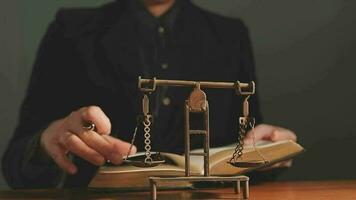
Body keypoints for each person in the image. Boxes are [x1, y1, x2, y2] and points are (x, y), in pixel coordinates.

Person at [2, 0, 296, 188]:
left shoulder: (230, 35)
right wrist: (46, 140)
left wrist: (271, 150)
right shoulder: (71, 30)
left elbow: (246, 154)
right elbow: (15, 166)